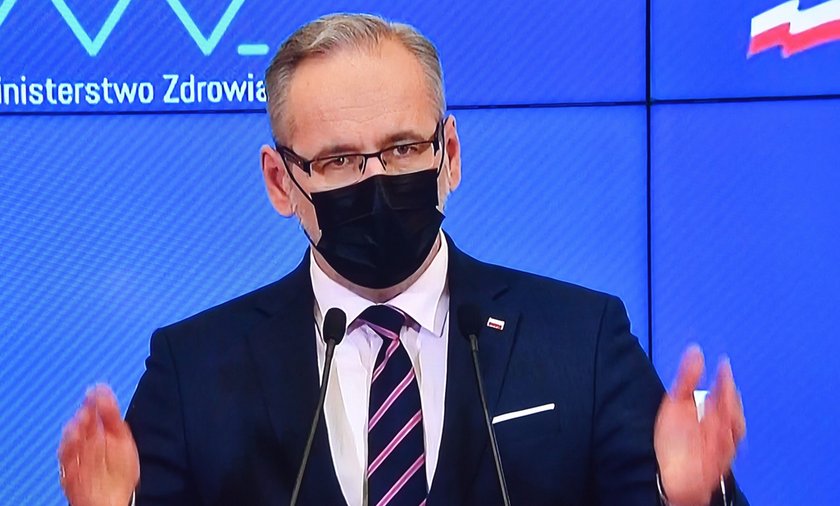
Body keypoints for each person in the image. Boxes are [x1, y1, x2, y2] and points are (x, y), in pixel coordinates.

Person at [57, 13, 747, 506]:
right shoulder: (194, 368)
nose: (377, 180)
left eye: (404, 149)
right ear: (279, 182)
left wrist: (688, 497)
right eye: (338, 160)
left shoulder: (581, 338)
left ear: (450, 153)